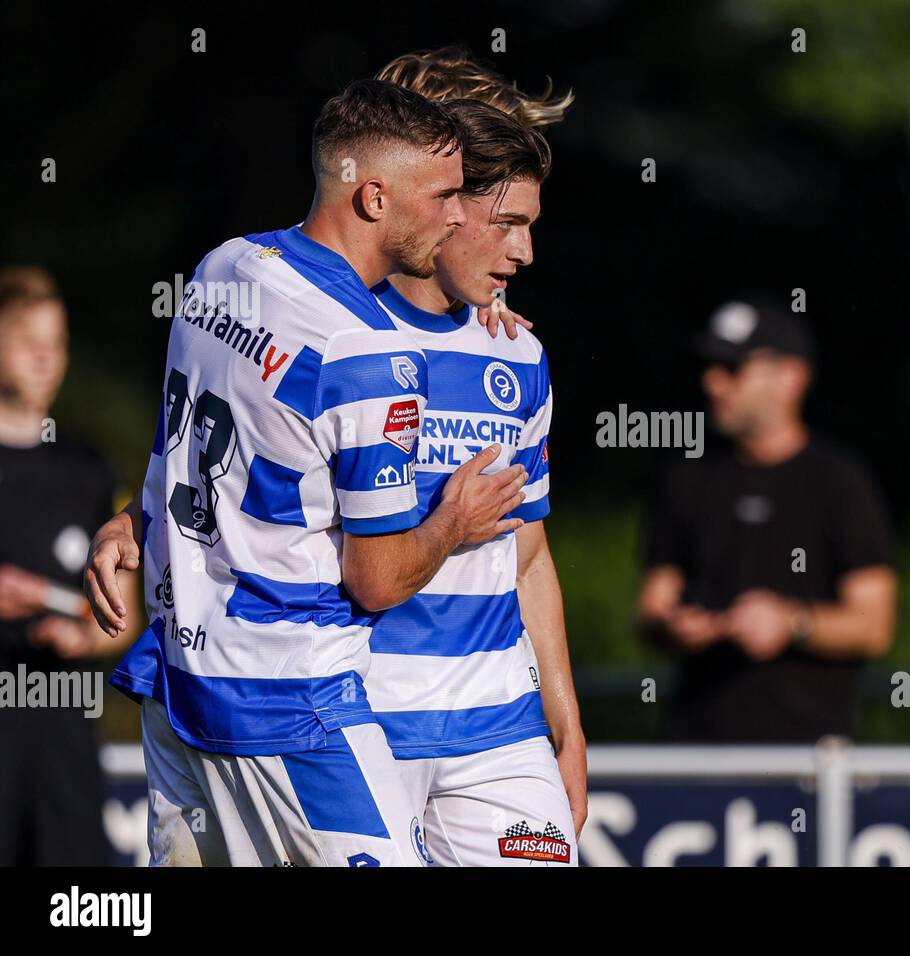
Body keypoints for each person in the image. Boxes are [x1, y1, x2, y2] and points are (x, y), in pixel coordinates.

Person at [83, 79, 527, 866]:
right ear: (375, 197)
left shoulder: (224, 265)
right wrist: (455, 520)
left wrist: (135, 519)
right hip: (292, 700)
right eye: (447, 196)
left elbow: (183, 441)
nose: (463, 216)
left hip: (180, 678)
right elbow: (378, 580)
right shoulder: (369, 355)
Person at [367, 48, 586, 866]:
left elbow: (526, 554)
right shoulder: (330, 331)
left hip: (496, 726)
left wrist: (563, 721)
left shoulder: (519, 358)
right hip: (357, 721)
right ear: (447, 208)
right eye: (512, 224)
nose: (525, 253)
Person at [638, 299, 898, 742]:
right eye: (710, 367)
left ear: (791, 378)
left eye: (733, 369)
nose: (714, 383)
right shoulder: (687, 478)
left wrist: (793, 623)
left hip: (809, 758)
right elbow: (649, 610)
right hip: (693, 749)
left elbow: (875, 626)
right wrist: (676, 627)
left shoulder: (839, 482)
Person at [0, 270, 141, 865]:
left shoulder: (87, 471)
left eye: (55, 342)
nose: (44, 357)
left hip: (66, 754)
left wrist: (84, 632)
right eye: (26, 338)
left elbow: (123, 617)